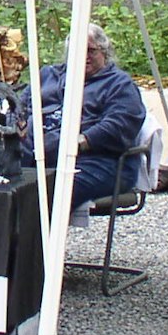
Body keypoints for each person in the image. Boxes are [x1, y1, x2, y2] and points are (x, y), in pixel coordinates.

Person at [15, 22, 146, 209]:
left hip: (96, 160)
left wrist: (79, 142)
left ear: (104, 52)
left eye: (91, 51)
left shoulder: (119, 84)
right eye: (77, 50)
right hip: (35, 155)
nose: (84, 56)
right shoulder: (47, 76)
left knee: (45, 192)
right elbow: (19, 108)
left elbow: (120, 124)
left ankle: (34, 228)